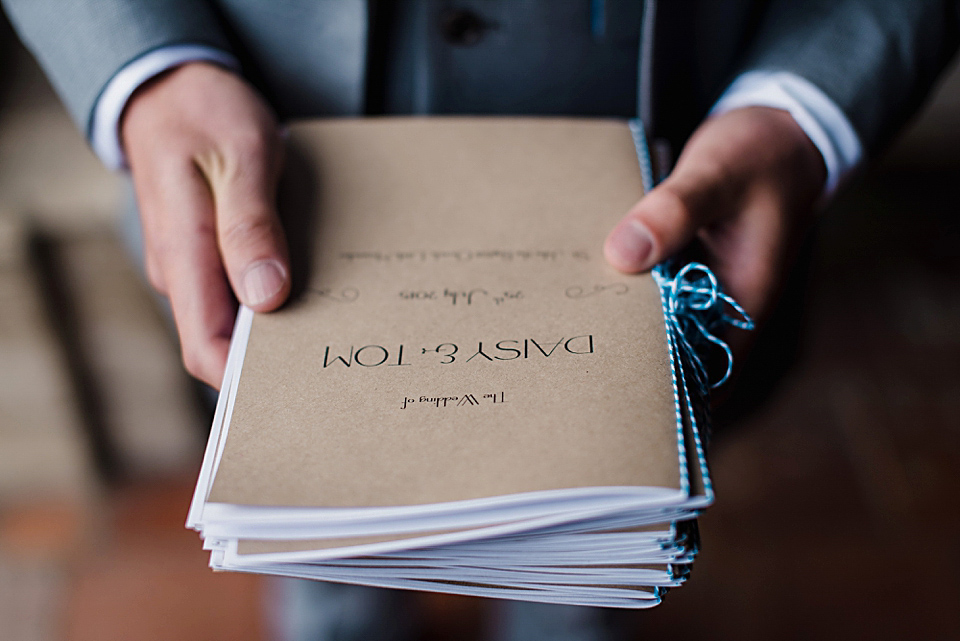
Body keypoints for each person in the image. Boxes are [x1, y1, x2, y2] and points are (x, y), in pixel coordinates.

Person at [4, 1, 957, 639]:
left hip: (676, 161)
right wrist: (147, 69)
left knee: (595, 550)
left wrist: (801, 109)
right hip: (267, 148)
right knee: (312, 531)